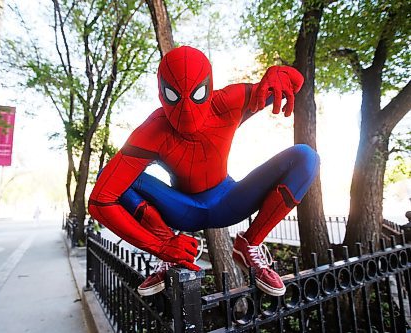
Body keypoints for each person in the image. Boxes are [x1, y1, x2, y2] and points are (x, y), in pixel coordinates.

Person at [89, 46, 320, 297]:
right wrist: (162, 246)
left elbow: (296, 81)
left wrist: (281, 73)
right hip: (182, 209)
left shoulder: (228, 102)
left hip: (228, 201)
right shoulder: (152, 132)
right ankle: (171, 249)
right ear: (161, 94)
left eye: (197, 94)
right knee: (108, 176)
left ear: (208, 89)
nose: (186, 109)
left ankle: (249, 244)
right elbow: (100, 200)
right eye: (174, 95)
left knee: (305, 157)